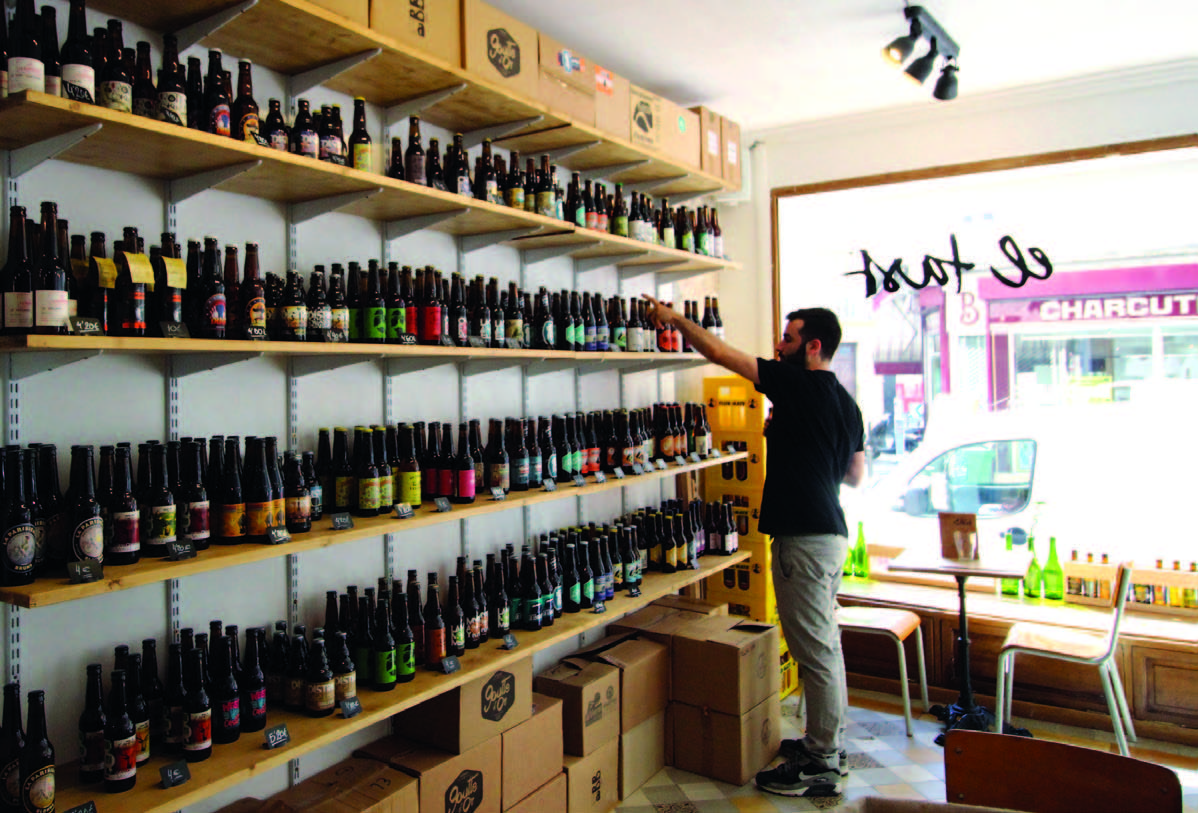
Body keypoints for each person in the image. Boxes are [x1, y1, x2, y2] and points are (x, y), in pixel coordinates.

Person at [644, 296, 865, 798]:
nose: (778, 347)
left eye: (788, 339)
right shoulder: (846, 403)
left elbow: (722, 354)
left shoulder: (797, 383)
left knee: (816, 652)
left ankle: (822, 762)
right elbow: (854, 476)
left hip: (803, 540)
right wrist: (798, 445)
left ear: (813, 346)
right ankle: (826, 746)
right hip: (831, 535)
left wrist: (676, 320)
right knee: (824, 646)